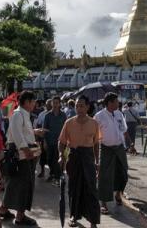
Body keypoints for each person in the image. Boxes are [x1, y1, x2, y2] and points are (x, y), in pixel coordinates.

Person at [1, 90, 45, 226]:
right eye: (33, 101)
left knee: (15, 183)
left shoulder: (23, 114)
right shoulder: (18, 114)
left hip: (24, 154)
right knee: (24, 184)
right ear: (27, 102)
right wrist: (26, 151)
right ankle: (20, 216)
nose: (34, 104)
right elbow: (18, 135)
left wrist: (34, 132)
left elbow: (23, 132)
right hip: (22, 154)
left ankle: (4, 209)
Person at [58, 95, 101, 228]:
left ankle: (93, 221)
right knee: (73, 189)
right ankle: (73, 216)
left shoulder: (94, 123)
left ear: (88, 107)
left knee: (91, 190)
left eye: (81, 105)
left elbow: (96, 145)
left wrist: (97, 161)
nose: (79, 108)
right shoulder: (69, 122)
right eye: (77, 105)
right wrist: (61, 155)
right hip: (74, 158)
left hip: (88, 158)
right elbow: (62, 142)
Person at [94, 92, 128, 215]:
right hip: (106, 148)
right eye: (116, 101)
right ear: (109, 103)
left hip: (119, 148)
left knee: (123, 172)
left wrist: (130, 144)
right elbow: (94, 137)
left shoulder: (119, 113)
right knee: (104, 176)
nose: (118, 103)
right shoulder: (99, 116)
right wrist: (95, 156)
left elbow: (124, 130)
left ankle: (118, 194)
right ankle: (104, 202)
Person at [43, 96, 67, 184]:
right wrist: (45, 141)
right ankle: (52, 174)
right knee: (49, 159)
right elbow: (44, 129)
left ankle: (58, 176)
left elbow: (66, 128)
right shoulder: (47, 115)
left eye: (57, 102)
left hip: (60, 141)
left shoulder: (63, 115)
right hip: (50, 141)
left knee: (59, 158)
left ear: (60, 104)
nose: (55, 104)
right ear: (51, 103)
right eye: (54, 102)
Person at [34, 99, 52, 178]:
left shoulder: (57, 114)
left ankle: (52, 173)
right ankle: (42, 171)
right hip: (42, 138)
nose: (49, 106)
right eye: (47, 104)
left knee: (51, 156)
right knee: (42, 155)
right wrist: (38, 137)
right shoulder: (42, 114)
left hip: (52, 138)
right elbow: (38, 125)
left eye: (50, 104)